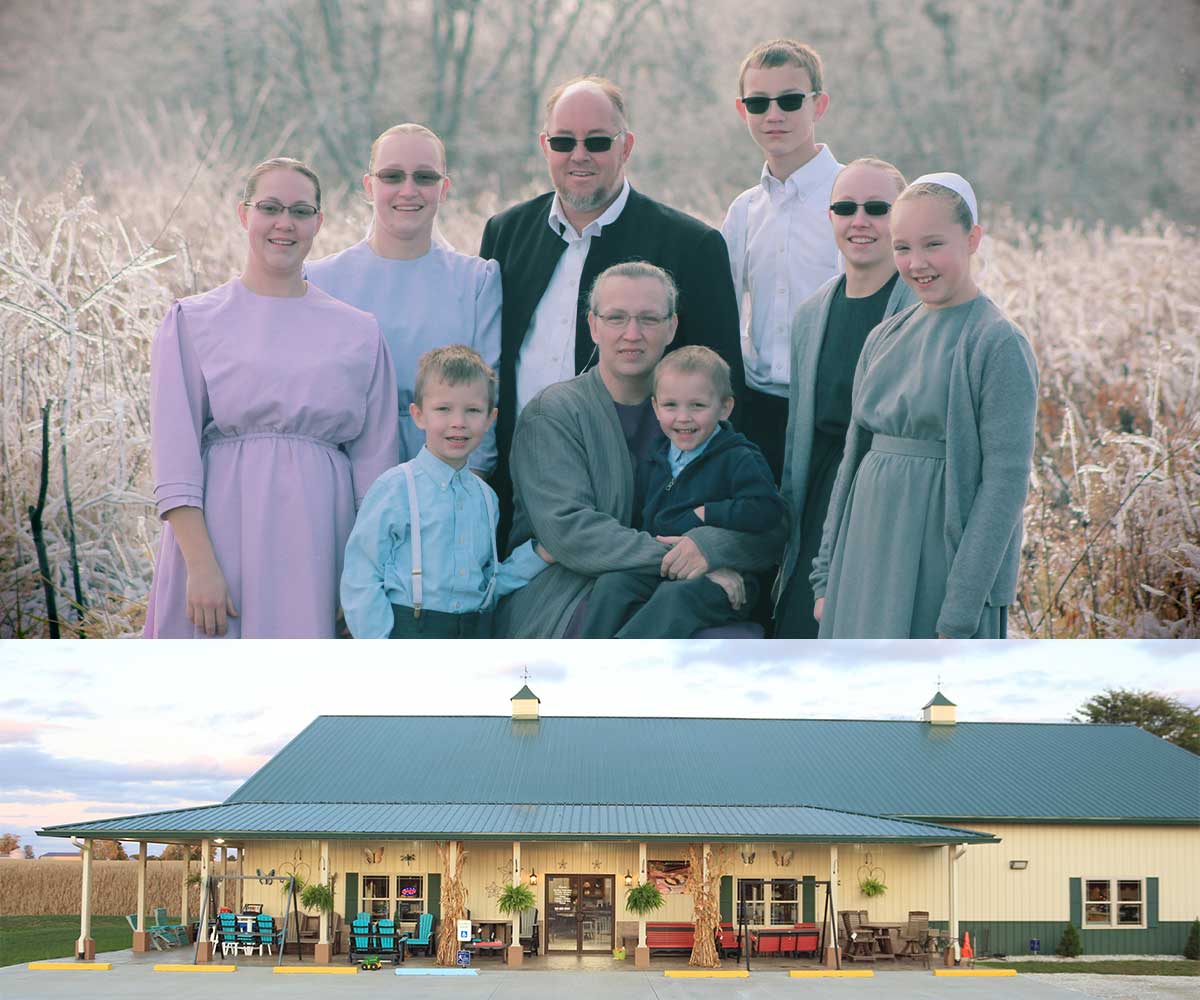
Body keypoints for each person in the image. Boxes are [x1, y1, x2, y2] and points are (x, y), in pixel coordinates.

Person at [144, 157, 400, 638]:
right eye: (270, 207)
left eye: (301, 211)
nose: (285, 223)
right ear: (245, 215)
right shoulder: (193, 321)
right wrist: (200, 567)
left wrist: (364, 578)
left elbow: (376, 475)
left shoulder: (359, 332)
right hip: (218, 546)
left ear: (318, 223)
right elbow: (174, 461)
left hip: (320, 549)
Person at [479, 75, 743, 526]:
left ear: (626, 146)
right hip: (517, 483)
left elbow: (718, 381)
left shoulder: (691, 244)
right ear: (545, 146)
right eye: (564, 141)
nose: (579, 155)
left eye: (597, 141)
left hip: (639, 495)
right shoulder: (506, 233)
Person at [497, 262, 784, 639]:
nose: (632, 334)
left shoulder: (698, 413)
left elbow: (769, 525)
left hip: (679, 594)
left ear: (672, 327)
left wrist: (711, 547)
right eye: (616, 318)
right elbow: (571, 533)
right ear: (593, 326)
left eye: (649, 319)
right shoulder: (554, 414)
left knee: (730, 647)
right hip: (573, 590)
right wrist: (686, 559)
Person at [810, 173, 1039, 638]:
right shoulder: (884, 336)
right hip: (865, 551)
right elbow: (852, 462)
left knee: (930, 703)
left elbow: (1004, 487)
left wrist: (961, 606)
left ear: (972, 239)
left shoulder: (997, 343)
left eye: (934, 245)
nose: (917, 264)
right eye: (902, 248)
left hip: (941, 562)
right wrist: (827, 573)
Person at [307, 123, 502, 474]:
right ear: (369, 186)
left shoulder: (476, 281)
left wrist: (461, 493)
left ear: (444, 188)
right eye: (392, 176)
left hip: (447, 473)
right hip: (343, 474)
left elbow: (486, 398)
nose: (408, 190)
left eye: (424, 177)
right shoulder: (320, 280)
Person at [774, 157, 916, 638]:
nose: (860, 221)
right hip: (818, 504)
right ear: (830, 217)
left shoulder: (923, 310)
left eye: (878, 208)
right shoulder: (812, 314)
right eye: (845, 207)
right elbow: (800, 433)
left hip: (885, 502)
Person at [340, 347, 554, 638]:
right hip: (406, 633)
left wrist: (539, 556)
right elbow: (361, 576)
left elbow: (489, 582)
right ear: (418, 415)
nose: (458, 422)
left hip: (471, 634)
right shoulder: (395, 488)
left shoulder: (485, 498)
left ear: (490, 419)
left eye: (473, 410)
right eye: (443, 409)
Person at [578, 346, 785, 638]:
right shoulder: (656, 459)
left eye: (698, 406)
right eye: (671, 405)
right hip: (663, 565)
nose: (683, 418)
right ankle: (583, 663)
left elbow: (767, 510)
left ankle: (621, 667)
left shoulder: (738, 458)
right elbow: (642, 521)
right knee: (614, 585)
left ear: (725, 407)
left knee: (675, 598)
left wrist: (707, 515)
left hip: (726, 576)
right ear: (655, 407)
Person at [721, 39, 842, 483]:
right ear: (742, 110)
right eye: (759, 102)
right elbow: (725, 309)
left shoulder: (854, 200)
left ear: (819, 105)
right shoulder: (743, 211)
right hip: (757, 411)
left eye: (790, 101)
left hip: (834, 411)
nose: (774, 115)